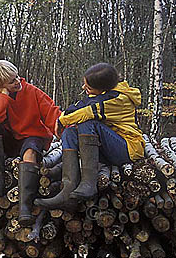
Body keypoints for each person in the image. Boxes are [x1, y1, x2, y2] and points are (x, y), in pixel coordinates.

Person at [34, 62, 145, 209]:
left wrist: (61, 120)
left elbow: (88, 111)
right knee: (70, 131)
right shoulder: (104, 94)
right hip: (109, 149)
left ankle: (88, 184)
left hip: (127, 150)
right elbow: (79, 105)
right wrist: (65, 117)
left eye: (88, 87)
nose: (83, 89)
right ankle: (68, 189)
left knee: (87, 122)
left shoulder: (118, 98)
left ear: (102, 88)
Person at [0, 60, 61, 226]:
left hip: (33, 136)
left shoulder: (32, 91)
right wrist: (4, 96)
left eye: (17, 77)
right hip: (11, 139)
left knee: (29, 153)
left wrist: (64, 129)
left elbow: (52, 113)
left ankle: (25, 205)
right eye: (11, 81)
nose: (18, 81)